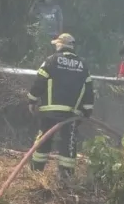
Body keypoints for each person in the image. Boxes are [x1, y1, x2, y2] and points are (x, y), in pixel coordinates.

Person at [27, 33, 94, 180]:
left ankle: (36, 171)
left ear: (60, 45)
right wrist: (87, 111)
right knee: (68, 142)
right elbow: (89, 90)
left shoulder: (51, 61)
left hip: (50, 111)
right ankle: (66, 177)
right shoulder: (83, 65)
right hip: (71, 114)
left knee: (43, 139)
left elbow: (39, 82)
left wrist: (32, 100)